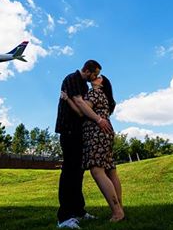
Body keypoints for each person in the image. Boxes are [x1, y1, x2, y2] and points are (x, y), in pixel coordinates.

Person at [55, 60, 113, 229]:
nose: (96, 77)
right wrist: (98, 119)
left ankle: (78, 211)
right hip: (69, 130)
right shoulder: (72, 79)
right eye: (95, 74)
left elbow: (82, 110)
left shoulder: (85, 86)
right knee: (69, 172)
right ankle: (64, 217)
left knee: (78, 172)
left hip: (80, 133)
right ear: (87, 71)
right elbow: (80, 105)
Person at [62, 74, 124, 223]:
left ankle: (117, 213)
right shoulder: (105, 97)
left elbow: (80, 112)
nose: (95, 77)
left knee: (97, 171)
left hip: (96, 134)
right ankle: (120, 209)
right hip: (106, 133)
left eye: (98, 77)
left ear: (101, 83)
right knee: (110, 170)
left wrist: (68, 99)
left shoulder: (95, 93)